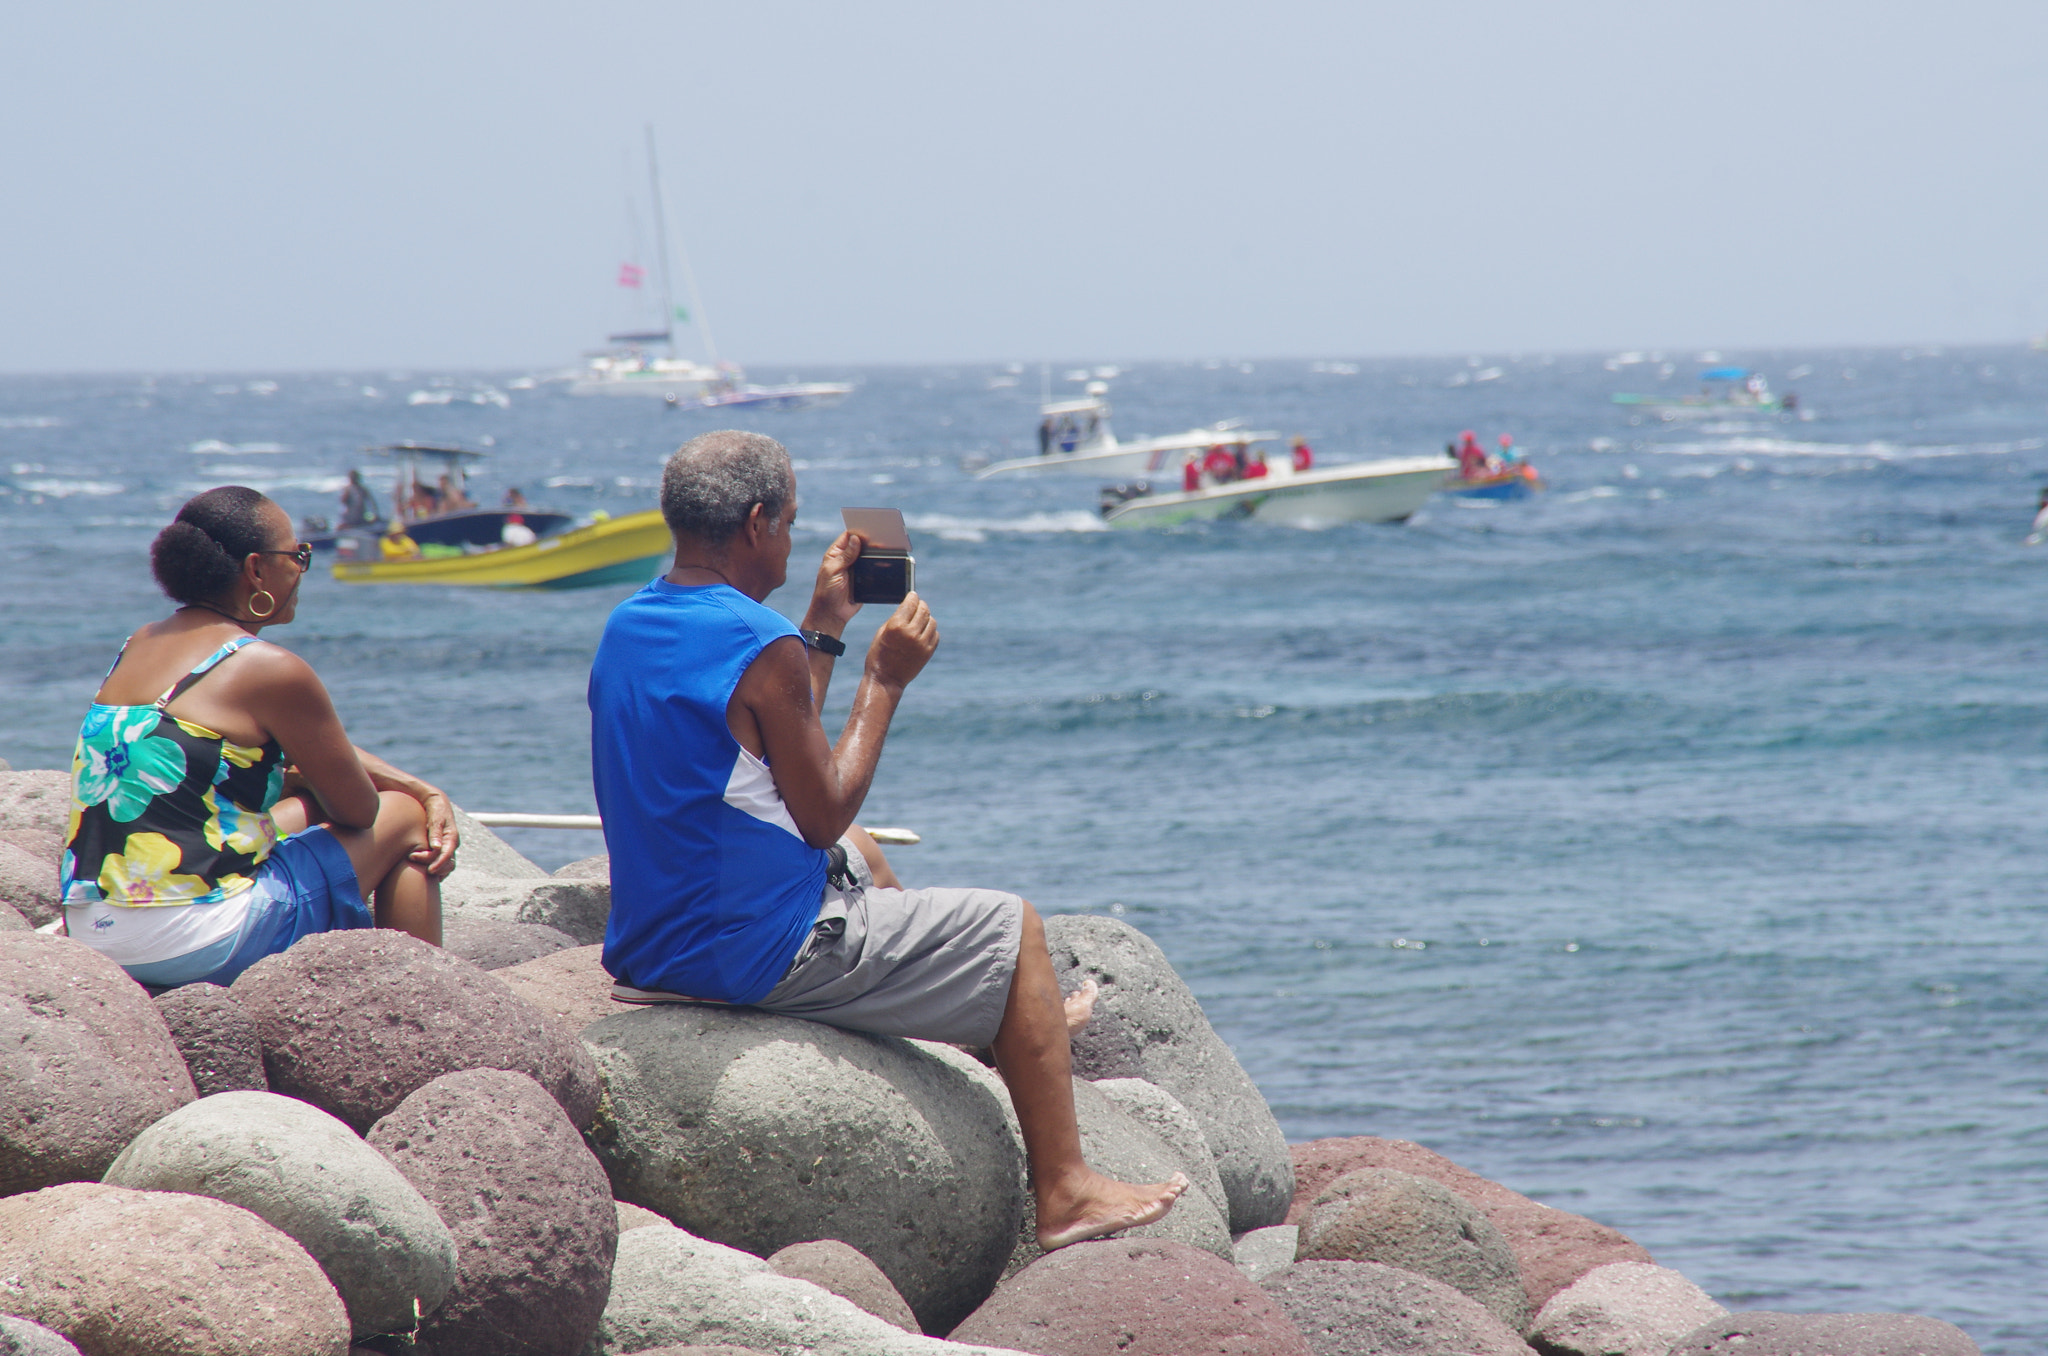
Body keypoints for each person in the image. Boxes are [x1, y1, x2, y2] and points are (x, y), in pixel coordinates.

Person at [588, 430, 1187, 1250]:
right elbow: (820, 808)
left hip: (656, 941)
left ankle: (979, 1017)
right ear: (758, 521)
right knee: (1014, 931)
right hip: (743, 951)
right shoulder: (757, 642)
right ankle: (1067, 1191)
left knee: (862, 852)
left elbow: (770, 757)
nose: (795, 543)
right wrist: (883, 681)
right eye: (791, 524)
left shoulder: (632, 624)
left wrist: (821, 629)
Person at [61, 486, 456, 989]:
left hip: (94, 932)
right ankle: (426, 1004)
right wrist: (413, 795)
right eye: (298, 555)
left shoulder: (139, 643)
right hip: (192, 940)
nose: (300, 568)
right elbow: (360, 812)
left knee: (310, 809)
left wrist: (399, 783)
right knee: (404, 817)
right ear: (256, 569)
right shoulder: (269, 669)